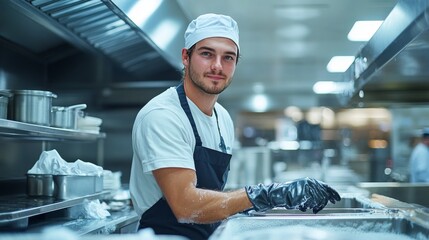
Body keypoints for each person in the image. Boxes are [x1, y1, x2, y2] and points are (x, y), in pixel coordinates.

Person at [129, 13, 341, 240]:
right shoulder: (164, 115)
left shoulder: (223, 118)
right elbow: (186, 205)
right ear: (186, 57)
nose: (217, 66)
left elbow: (211, 200)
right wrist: (269, 194)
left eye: (228, 57)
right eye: (207, 54)